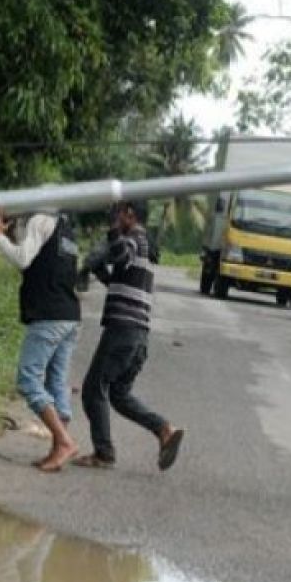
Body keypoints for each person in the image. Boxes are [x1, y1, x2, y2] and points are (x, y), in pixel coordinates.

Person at [75, 201, 183, 473]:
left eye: (119, 213)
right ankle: (163, 429)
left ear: (129, 214)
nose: (116, 218)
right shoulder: (140, 244)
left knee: (92, 390)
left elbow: (122, 256)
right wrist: (98, 269)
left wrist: (113, 230)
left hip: (123, 331)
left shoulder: (135, 239)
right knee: (119, 395)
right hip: (137, 335)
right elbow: (120, 280)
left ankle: (104, 453)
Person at [0, 205, 81, 471]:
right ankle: (59, 448)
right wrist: (9, 237)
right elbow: (37, 265)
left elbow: (23, 260)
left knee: (28, 380)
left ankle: (63, 442)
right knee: (56, 381)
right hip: (69, 314)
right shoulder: (66, 228)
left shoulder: (40, 219)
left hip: (48, 315)